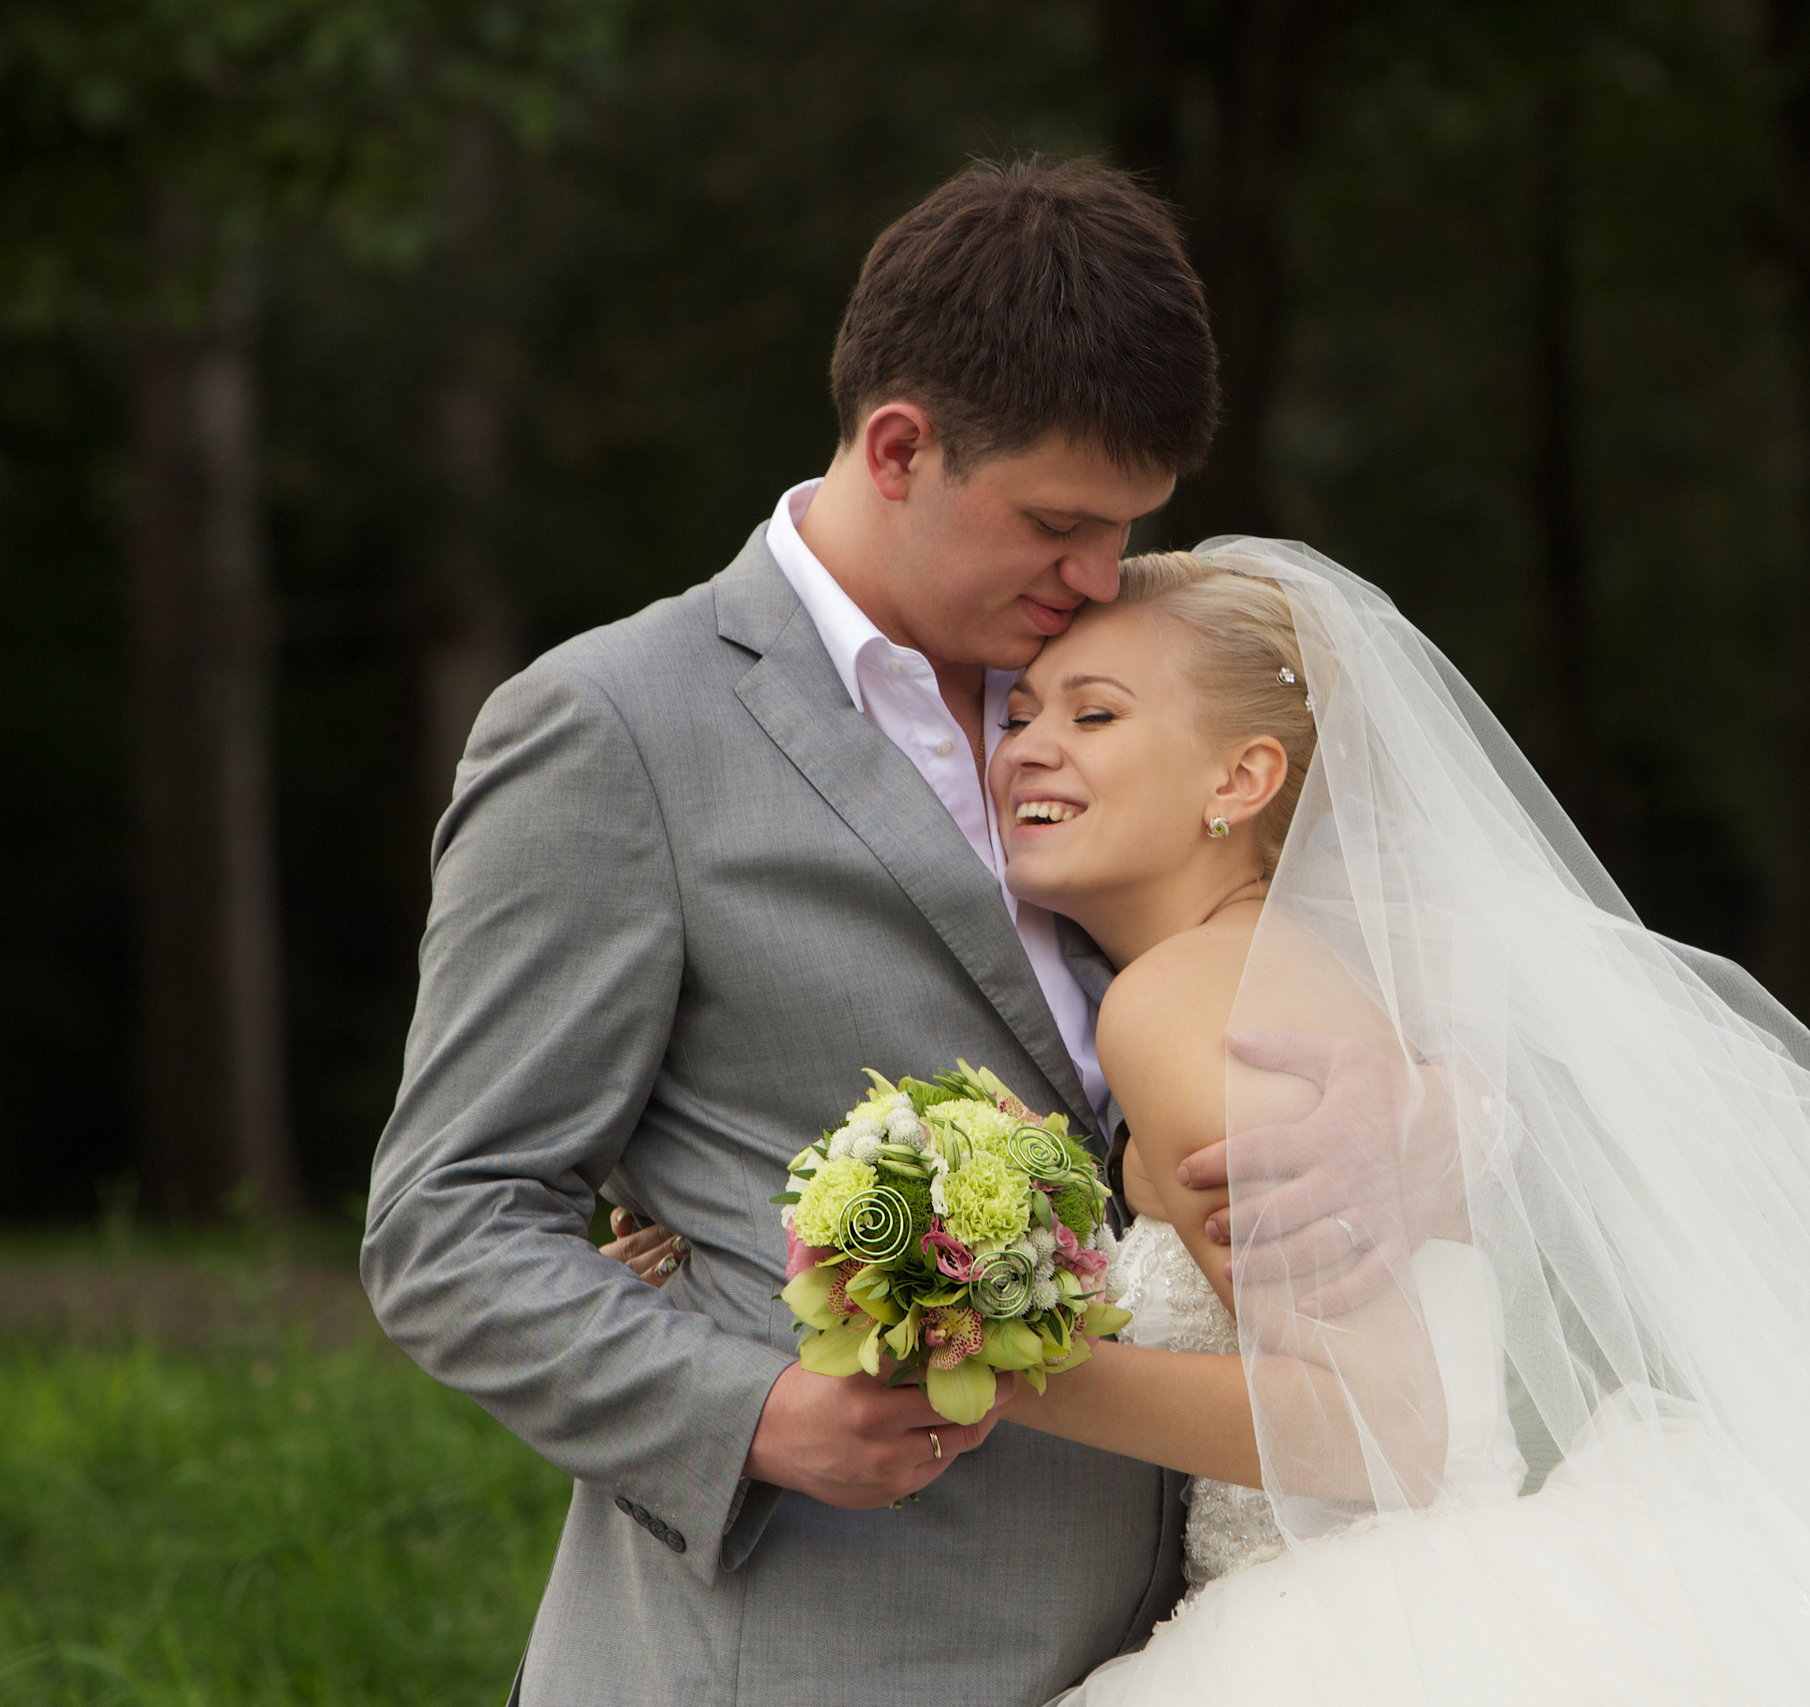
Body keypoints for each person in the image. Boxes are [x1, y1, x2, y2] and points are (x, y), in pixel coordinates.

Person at [619, 544, 1810, 1706]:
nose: (1027, 743)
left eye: (1093, 715)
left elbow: (1369, 1426)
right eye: (1020, 709)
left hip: (1347, 1627)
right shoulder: (1298, 971)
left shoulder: (1176, 1003)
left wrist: (985, 1361)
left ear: (1243, 776)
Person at [361, 156, 1225, 1706]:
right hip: (810, 1654)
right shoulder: (614, 729)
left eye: (1127, 528)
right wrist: (749, 1408)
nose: (1100, 575)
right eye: (1056, 523)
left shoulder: (1123, 677)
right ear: (898, 446)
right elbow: (449, 1222)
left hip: (1179, 1643)